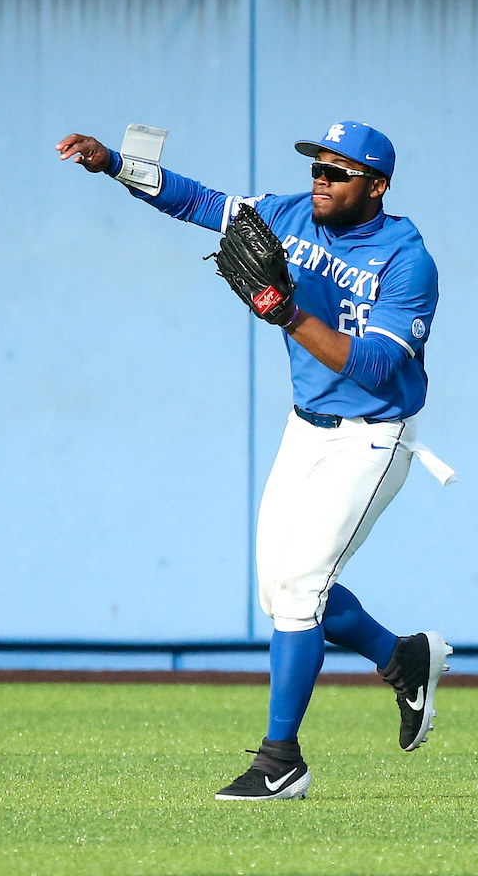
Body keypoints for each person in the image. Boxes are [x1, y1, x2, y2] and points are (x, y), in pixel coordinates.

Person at [56, 121, 453, 801]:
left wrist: (289, 313)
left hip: (373, 436)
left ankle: (281, 760)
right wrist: (115, 164)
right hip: (305, 428)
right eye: (317, 169)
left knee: (301, 591)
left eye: (338, 173)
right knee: (284, 595)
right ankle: (403, 658)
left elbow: (379, 368)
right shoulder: (291, 214)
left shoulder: (406, 259)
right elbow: (201, 203)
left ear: (376, 186)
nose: (320, 182)